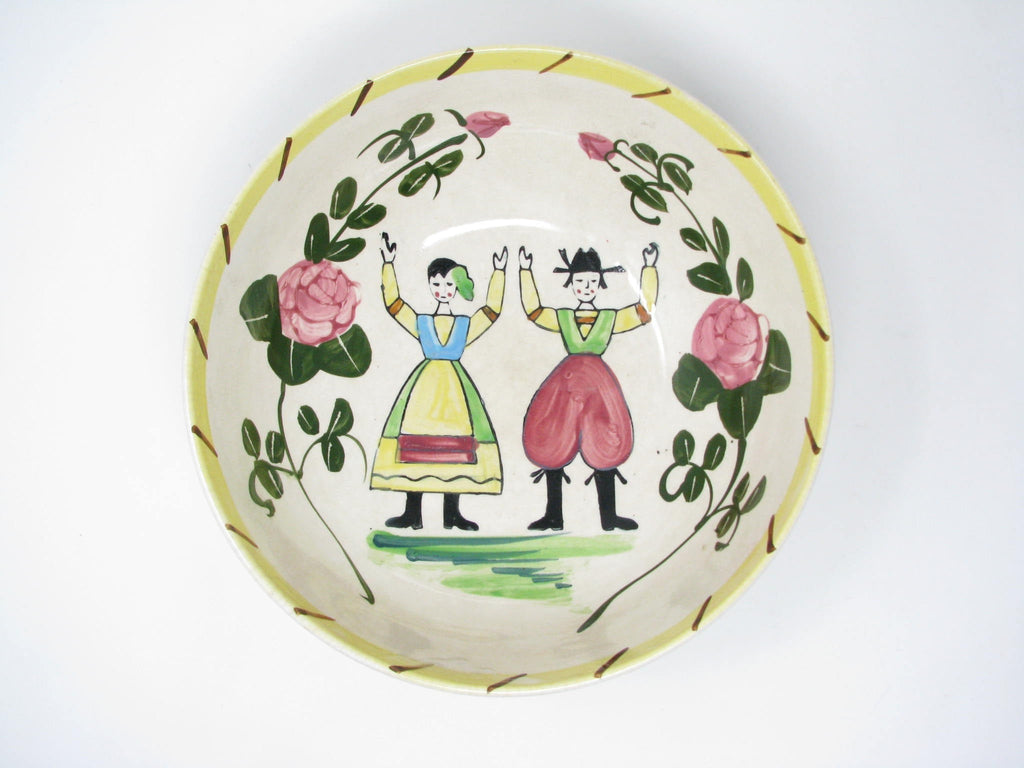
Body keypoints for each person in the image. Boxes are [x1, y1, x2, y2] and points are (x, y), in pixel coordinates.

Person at [370, 232, 507, 530]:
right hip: (424, 392)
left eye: (448, 285)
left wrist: (499, 272)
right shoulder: (422, 322)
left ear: (456, 288)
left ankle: (452, 514)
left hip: (455, 394)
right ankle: (412, 513)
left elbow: (491, 312)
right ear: (430, 286)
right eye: (436, 284)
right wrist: (388, 264)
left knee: (456, 450)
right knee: (414, 447)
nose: (442, 290)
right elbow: (394, 304)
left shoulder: (464, 324)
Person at [519, 242, 659, 531]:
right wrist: (525, 271)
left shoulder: (609, 317)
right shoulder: (564, 317)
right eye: (580, 281)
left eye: (592, 282)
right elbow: (534, 311)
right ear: (571, 283)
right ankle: (553, 516)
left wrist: (649, 269)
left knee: (606, 442)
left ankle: (609, 517)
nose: (586, 287)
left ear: (600, 284)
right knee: (553, 440)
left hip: (598, 387)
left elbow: (644, 312)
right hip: (565, 385)